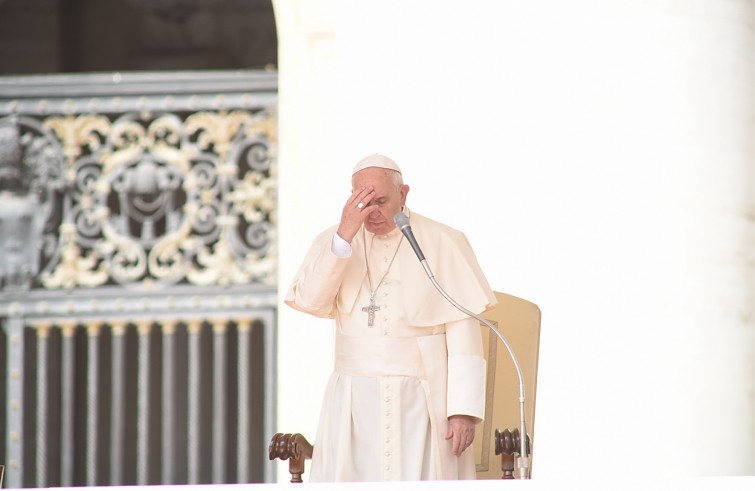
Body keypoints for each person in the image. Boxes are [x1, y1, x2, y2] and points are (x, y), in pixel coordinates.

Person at [284, 153, 497, 482]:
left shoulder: (443, 240)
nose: (373, 212)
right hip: (353, 400)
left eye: (381, 200)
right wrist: (344, 235)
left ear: (404, 193)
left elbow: (463, 330)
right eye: (363, 202)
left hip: (424, 400)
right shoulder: (337, 240)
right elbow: (310, 301)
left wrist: (463, 411)